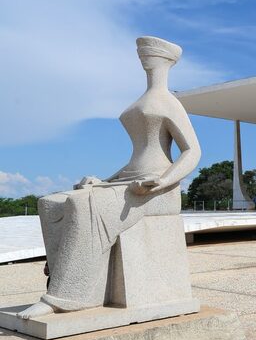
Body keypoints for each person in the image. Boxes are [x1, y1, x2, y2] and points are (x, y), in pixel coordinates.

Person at [18, 37, 201, 319]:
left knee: (83, 206)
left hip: (154, 188)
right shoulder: (141, 101)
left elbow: (192, 151)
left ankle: (64, 297)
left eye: (149, 54)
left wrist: (163, 182)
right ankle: (63, 280)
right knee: (49, 203)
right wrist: (102, 181)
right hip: (128, 179)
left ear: (166, 60)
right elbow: (134, 159)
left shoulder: (170, 102)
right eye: (141, 54)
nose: (144, 58)